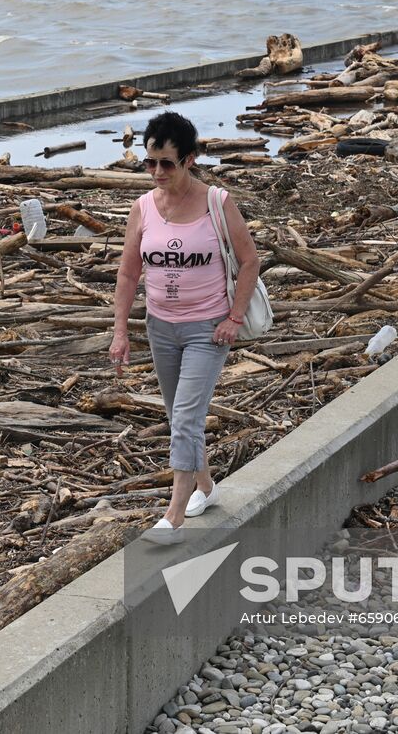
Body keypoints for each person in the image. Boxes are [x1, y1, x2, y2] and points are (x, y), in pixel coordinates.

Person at [109, 112, 261, 545]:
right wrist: (121, 331)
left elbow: (249, 260)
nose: (157, 172)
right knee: (180, 415)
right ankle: (207, 487)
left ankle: (173, 516)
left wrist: (234, 317)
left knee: (185, 418)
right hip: (160, 328)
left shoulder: (217, 202)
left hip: (207, 329)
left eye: (167, 163)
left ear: (189, 159)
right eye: (150, 162)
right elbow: (127, 273)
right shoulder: (142, 208)